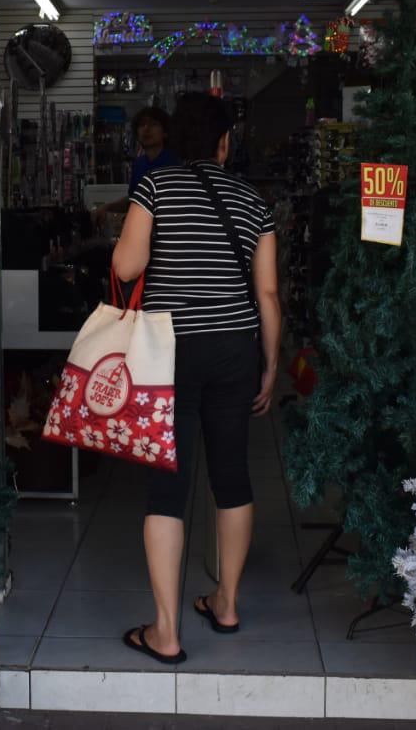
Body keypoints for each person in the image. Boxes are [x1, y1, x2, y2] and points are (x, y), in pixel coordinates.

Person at [110, 92, 281, 664]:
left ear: (175, 140)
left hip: (169, 353)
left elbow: (126, 267)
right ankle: (226, 603)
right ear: (225, 143)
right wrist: (271, 363)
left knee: (168, 487)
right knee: (232, 477)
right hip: (236, 350)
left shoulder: (155, 187)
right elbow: (269, 295)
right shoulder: (255, 202)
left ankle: (166, 630)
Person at [91, 106, 179, 225]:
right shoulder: (139, 163)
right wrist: (107, 207)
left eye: (153, 124)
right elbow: (134, 199)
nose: (146, 129)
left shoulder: (174, 162)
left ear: (165, 133)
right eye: (142, 125)